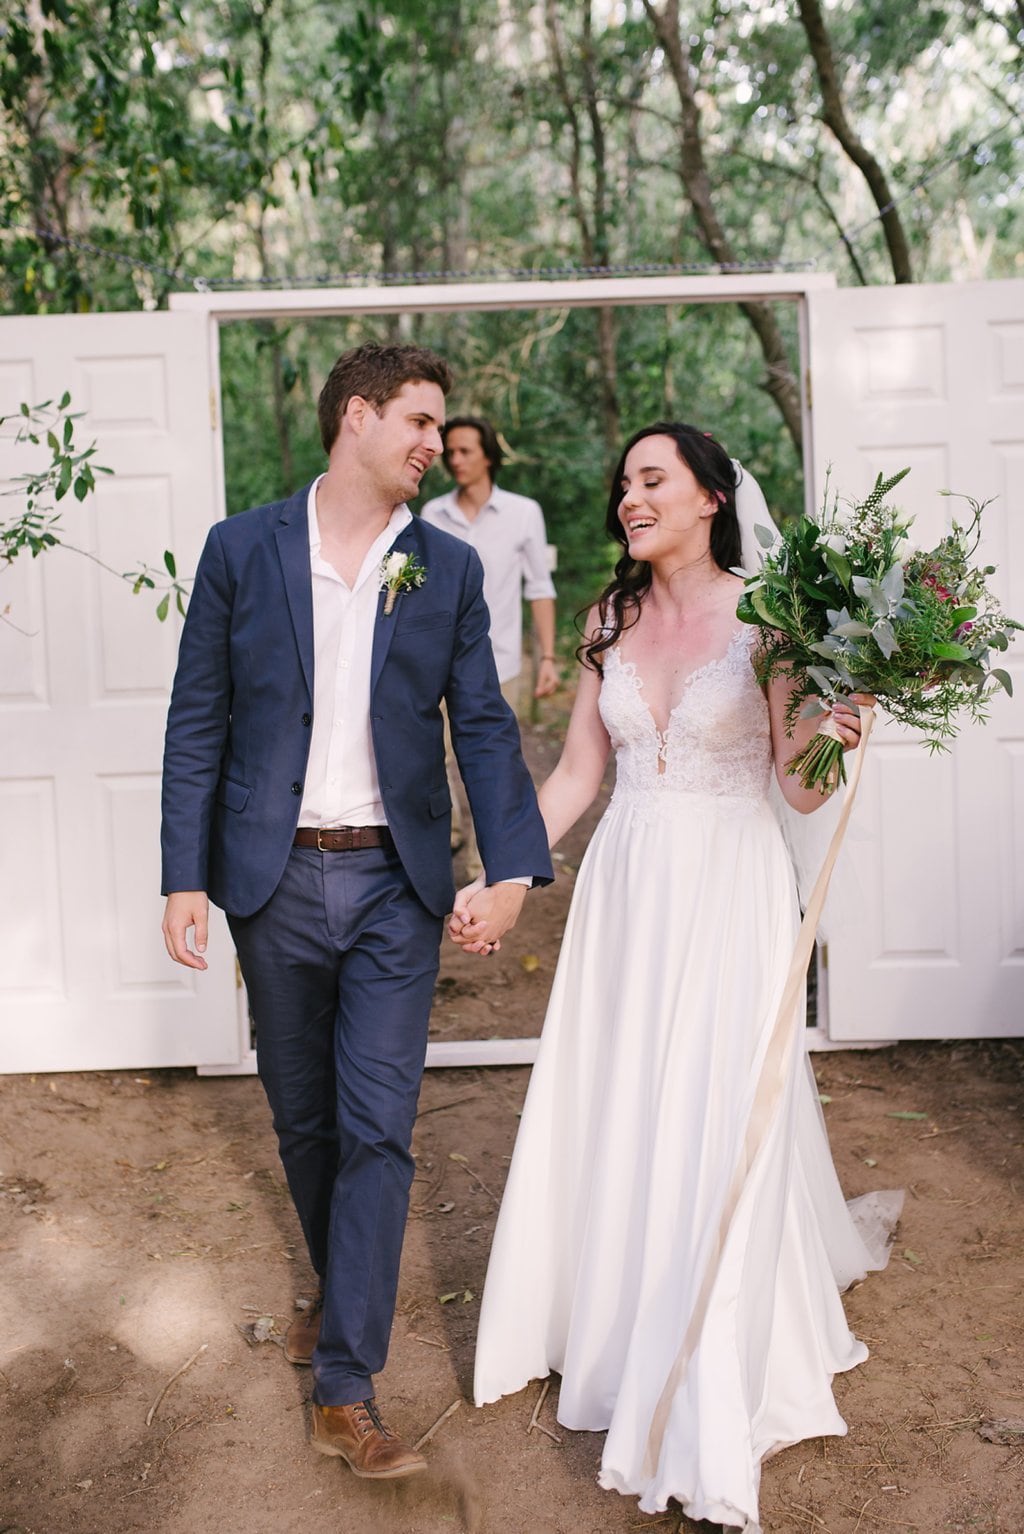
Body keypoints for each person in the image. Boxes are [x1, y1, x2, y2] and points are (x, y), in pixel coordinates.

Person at [451, 424, 898, 1531]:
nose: (628, 497)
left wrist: (842, 730)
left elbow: (796, 790)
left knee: (708, 1106)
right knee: (623, 1100)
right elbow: (576, 774)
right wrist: (506, 873)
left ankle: (707, 1340)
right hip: (626, 890)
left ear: (708, 497)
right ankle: (607, 1316)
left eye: (651, 480)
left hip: (728, 888)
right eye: (623, 484)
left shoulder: (769, 619)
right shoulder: (608, 620)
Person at [159, 344, 552, 1482]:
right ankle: (339, 1299)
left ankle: (345, 1384)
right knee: (305, 1122)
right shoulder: (242, 549)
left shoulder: (447, 566)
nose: (438, 443)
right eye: (421, 421)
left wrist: (514, 864)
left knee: (378, 1127)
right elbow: (199, 720)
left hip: (394, 884)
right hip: (268, 879)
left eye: (440, 428)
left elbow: (479, 723)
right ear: (358, 416)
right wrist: (185, 874)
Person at [420, 417, 558, 873]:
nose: (454, 460)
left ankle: (488, 864)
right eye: (450, 452)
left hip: (499, 662)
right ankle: (451, 834)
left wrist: (548, 658)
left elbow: (539, 587)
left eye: (465, 451)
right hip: (434, 663)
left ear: (488, 456)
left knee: (494, 761)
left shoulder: (523, 512)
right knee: (431, 755)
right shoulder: (432, 514)